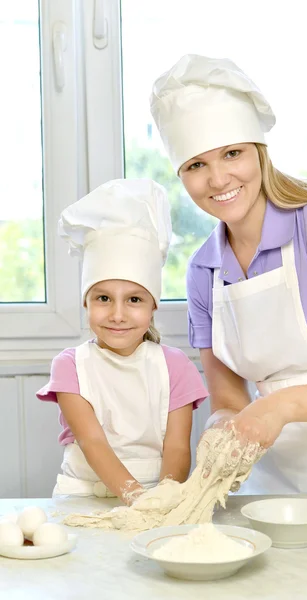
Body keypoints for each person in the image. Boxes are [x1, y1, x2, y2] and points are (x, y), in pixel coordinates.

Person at [149, 54, 307, 494]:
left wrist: (281, 406)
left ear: (259, 152)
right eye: (196, 165)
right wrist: (222, 430)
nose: (218, 178)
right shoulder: (204, 270)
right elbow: (229, 400)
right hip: (279, 490)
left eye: (232, 153)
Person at [36, 179, 208, 504]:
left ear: (153, 305)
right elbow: (92, 442)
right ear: (86, 303)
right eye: (103, 298)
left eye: (134, 300)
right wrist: (135, 499)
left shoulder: (175, 367)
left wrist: (162, 502)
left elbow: (176, 447)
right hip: (81, 495)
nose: (117, 314)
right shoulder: (71, 366)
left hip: (155, 493)